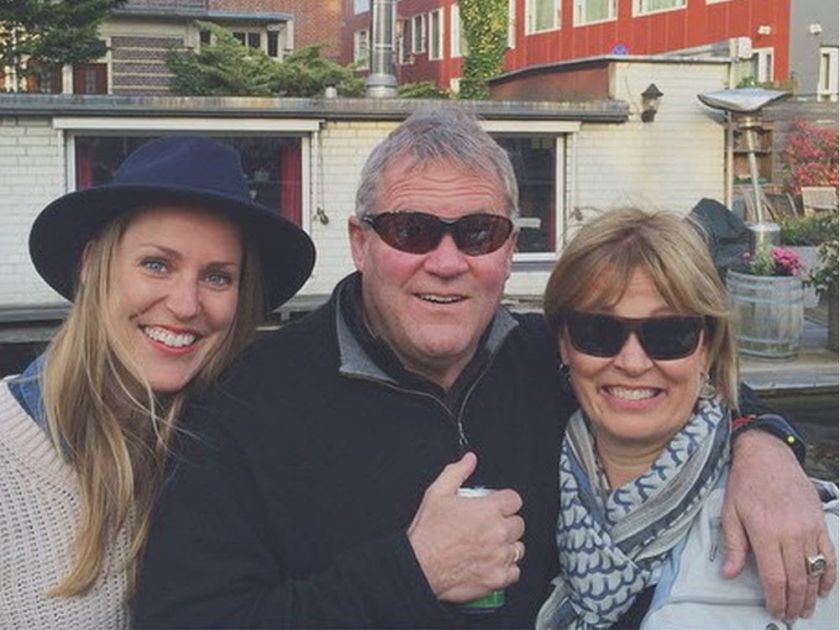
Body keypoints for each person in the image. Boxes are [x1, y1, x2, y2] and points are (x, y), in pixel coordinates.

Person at [134, 107, 830, 629]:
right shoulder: (246, 404)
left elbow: (680, 375)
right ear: (361, 242)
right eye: (411, 230)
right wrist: (408, 574)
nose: (445, 261)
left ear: (506, 248)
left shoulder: (555, 356)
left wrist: (767, 447)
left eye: (477, 232)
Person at [0, 136, 315, 629]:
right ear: (91, 266)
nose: (186, 304)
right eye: (156, 265)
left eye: (217, 277)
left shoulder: (231, 462)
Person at [537, 207, 838, 629]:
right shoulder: (522, 482)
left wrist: (769, 445)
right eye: (598, 332)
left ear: (707, 349)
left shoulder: (803, 534)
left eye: (669, 334)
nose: (632, 362)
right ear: (564, 345)